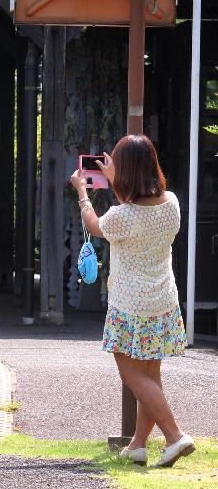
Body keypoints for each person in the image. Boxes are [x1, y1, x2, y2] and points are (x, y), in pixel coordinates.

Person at [70, 135, 194, 467]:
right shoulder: (171, 203)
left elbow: (95, 225)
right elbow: (136, 210)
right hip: (163, 300)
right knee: (150, 376)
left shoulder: (122, 216)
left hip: (129, 305)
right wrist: (116, 182)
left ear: (125, 170)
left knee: (133, 377)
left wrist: (82, 192)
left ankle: (175, 436)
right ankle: (138, 445)